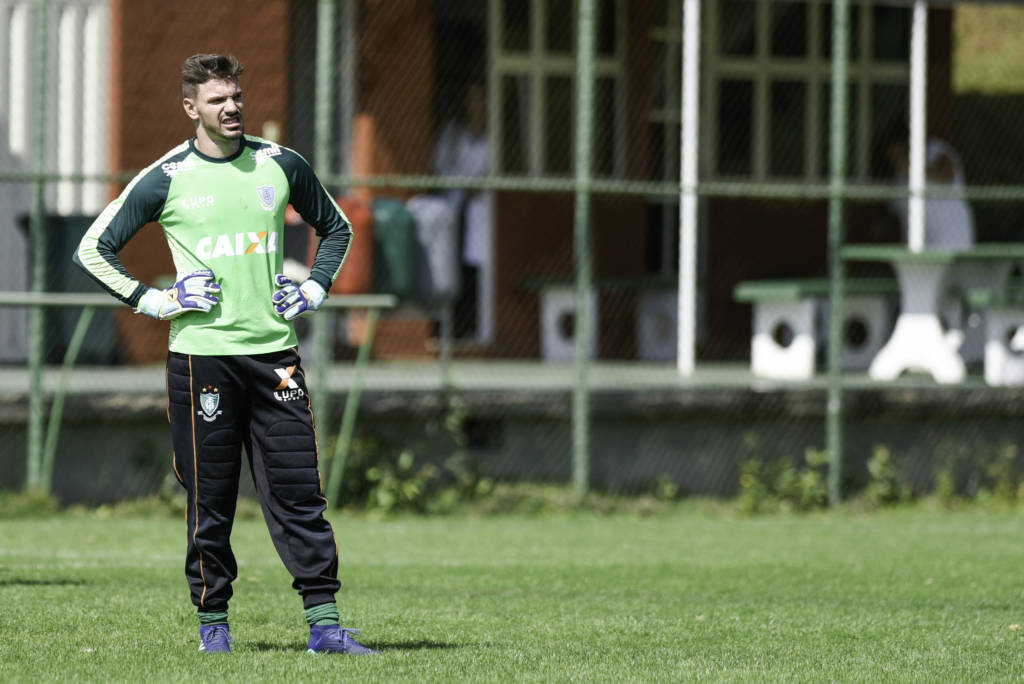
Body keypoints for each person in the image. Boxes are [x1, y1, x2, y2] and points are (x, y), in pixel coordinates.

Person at [73, 53, 376, 656]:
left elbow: (337, 228)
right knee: (210, 497)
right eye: (217, 100)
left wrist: (315, 288)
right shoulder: (166, 176)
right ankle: (215, 631)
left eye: (235, 96)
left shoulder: (279, 163)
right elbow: (92, 249)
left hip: (275, 357)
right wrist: (155, 301)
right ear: (192, 108)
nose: (232, 107)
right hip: (201, 360)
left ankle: (325, 626)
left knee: (298, 490)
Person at [431, 80, 493, 342]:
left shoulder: (495, 138)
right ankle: (448, 328)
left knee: (474, 271)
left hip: (476, 215)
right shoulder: (453, 134)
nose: (476, 105)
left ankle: (471, 328)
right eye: (472, 99)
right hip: (450, 213)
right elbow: (439, 168)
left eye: (481, 99)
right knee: (446, 269)